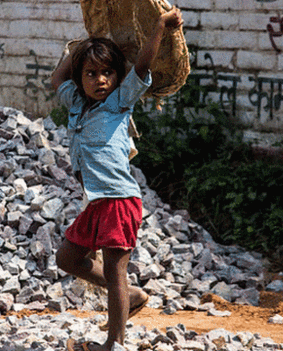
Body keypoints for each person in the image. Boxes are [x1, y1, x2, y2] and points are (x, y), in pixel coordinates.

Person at [51, 7, 184, 351]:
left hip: (120, 201)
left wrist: (159, 26)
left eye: (107, 72)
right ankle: (132, 295)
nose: (100, 80)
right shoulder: (76, 104)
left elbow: (141, 66)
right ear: (80, 80)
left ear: (116, 76)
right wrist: (82, 45)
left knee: (114, 272)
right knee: (67, 259)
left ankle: (115, 342)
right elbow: (56, 80)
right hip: (97, 201)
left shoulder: (119, 103)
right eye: (91, 74)